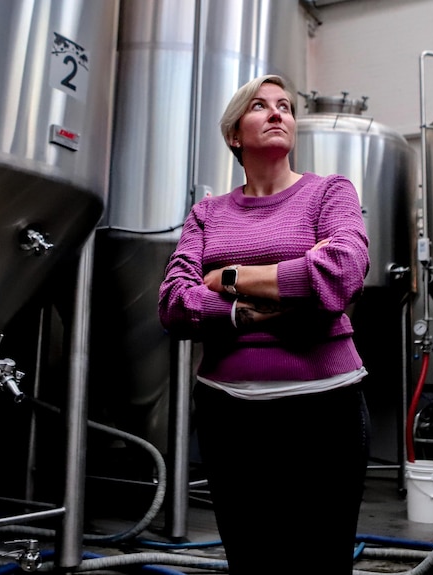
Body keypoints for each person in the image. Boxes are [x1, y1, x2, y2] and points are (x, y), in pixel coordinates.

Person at [158, 74, 371, 574]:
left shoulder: (329, 193)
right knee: (251, 560)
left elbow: (342, 273)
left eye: (286, 107)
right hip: (229, 414)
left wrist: (226, 277)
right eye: (260, 106)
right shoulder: (208, 213)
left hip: (326, 408)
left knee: (321, 561)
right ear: (235, 134)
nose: (278, 113)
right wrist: (249, 306)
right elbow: (172, 302)